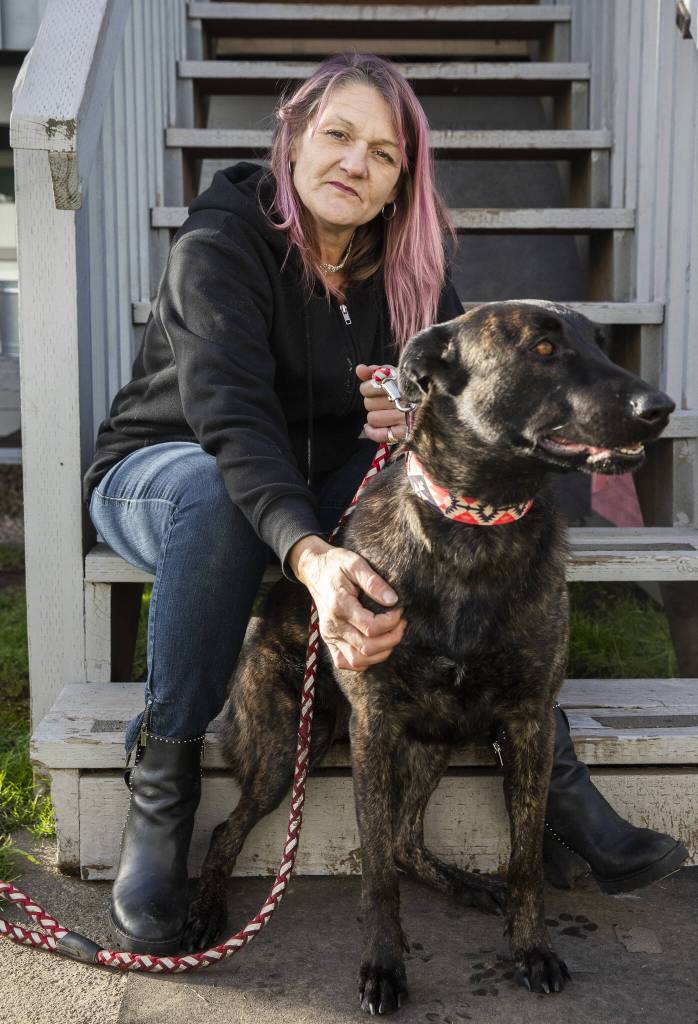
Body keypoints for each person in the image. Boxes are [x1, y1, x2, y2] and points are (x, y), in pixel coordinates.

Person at [83, 53, 687, 955]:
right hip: (169, 472)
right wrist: (318, 559)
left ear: (404, 177)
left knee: (440, 497)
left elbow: (439, 417)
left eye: (383, 152)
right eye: (337, 135)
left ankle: (549, 767)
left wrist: (404, 421)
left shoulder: (410, 267)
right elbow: (235, 430)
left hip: (316, 474)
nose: (355, 164)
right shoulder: (219, 246)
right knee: (214, 496)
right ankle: (163, 790)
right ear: (292, 137)